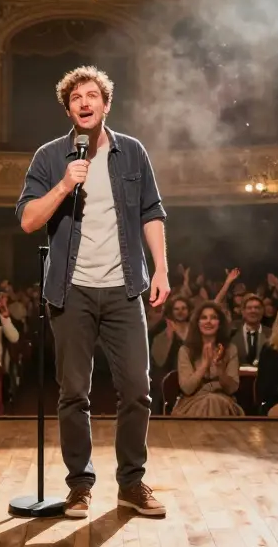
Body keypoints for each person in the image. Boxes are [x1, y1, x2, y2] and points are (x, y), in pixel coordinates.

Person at [16, 64, 169, 519]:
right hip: (71, 291)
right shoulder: (49, 157)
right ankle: (79, 486)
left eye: (92, 95)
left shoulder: (133, 153)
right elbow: (27, 221)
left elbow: (151, 212)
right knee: (73, 394)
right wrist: (65, 184)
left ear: (106, 104)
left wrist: (160, 268)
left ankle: (132, 483)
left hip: (125, 289)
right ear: (68, 109)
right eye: (75, 98)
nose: (84, 102)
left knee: (137, 389)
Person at [171, 301, 244, 417]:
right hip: (192, 402)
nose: (208, 321)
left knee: (213, 401)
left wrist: (220, 371)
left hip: (223, 401)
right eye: (204, 318)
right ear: (198, 323)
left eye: (213, 318)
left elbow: (232, 389)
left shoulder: (230, 349)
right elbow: (187, 389)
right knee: (209, 402)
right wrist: (204, 365)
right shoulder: (186, 350)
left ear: (219, 323)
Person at [229, 294, 269, 367]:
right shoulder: (232, 334)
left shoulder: (271, 335)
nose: (253, 311)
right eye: (249, 308)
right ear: (243, 311)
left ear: (262, 311)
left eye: (257, 308)